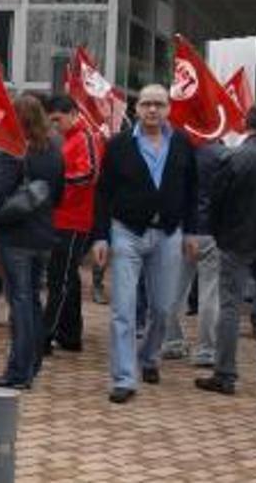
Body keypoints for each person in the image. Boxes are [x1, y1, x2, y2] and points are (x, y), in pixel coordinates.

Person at [91, 84, 198, 404]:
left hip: (168, 233)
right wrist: (100, 236)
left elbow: (193, 191)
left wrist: (192, 231)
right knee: (123, 308)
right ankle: (124, 377)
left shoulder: (182, 143)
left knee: (164, 308)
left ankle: (149, 357)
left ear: (168, 109)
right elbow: (103, 193)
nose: (153, 110)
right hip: (127, 232)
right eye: (147, 104)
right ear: (137, 109)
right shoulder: (120, 145)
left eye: (159, 104)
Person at [195, 103, 256, 396]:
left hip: (236, 239)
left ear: (247, 125)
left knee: (230, 306)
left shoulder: (233, 157)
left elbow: (217, 200)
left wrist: (218, 232)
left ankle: (225, 373)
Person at [0, 93, 65, 390]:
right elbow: (59, 193)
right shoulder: (53, 150)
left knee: (20, 303)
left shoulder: (16, 150)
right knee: (33, 302)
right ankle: (32, 364)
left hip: (16, 236)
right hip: (43, 235)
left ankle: (19, 371)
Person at [41, 94, 102, 352]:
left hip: (74, 219)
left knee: (61, 279)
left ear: (73, 113)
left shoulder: (86, 137)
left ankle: (46, 335)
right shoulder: (70, 138)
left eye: (57, 120)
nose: (55, 126)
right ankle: (69, 333)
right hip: (63, 216)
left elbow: (89, 173)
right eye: (51, 121)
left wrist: (55, 183)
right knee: (66, 278)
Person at [162, 137, 225, 365]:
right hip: (211, 229)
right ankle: (206, 350)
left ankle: (171, 342)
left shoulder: (175, 152)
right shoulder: (222, 155)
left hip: (182, 228)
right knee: (210, 293)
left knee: (174, 289)